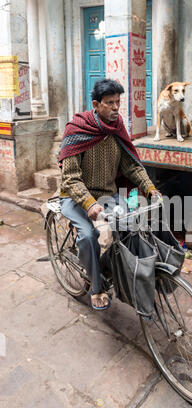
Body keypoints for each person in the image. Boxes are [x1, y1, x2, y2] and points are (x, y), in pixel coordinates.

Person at [58, 78, 159, 310]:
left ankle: (104, 266)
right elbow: (71, 177)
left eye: (118, 102)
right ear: (96, 104)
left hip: (107, 195)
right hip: (76, 197)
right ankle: (96, 286)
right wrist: (89, 204)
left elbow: (130, 166)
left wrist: (150, 187)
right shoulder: (77, 129)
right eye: (109, 102)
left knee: (130, 227)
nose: (115, 107)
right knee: (87, 236)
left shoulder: (116, 129)